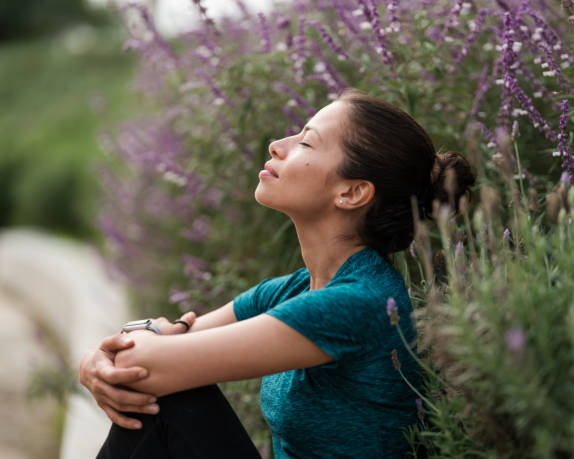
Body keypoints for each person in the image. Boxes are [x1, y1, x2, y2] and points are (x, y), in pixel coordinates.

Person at [79, 88, 475, 458]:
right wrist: (99, 358)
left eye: (305, 142)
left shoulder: (357, 303)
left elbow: (150, 364)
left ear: (352, 192)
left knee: (171, 397)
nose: (277, 145)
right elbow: (170, 341)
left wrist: (112, 355)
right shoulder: (294, 289)